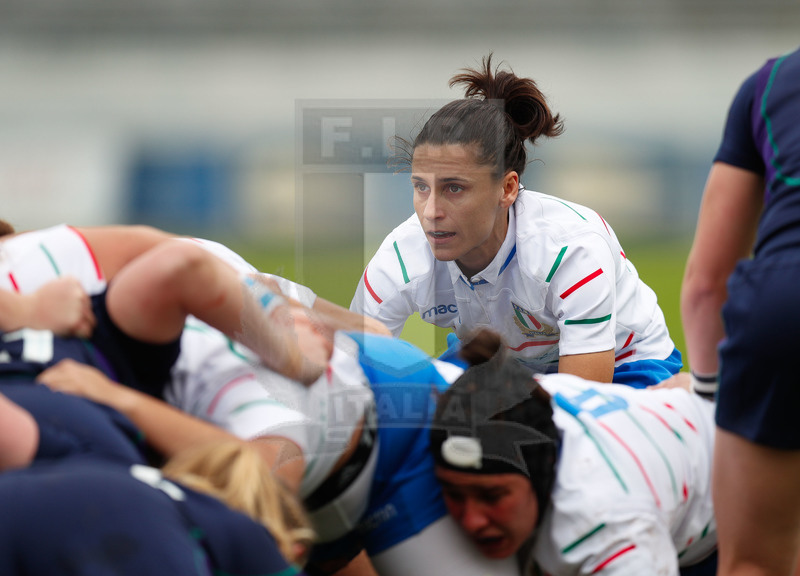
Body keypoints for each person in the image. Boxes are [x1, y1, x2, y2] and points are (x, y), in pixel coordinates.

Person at [351, 55, 680, 388]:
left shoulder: (572, 250)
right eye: (421, 187)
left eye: (454, 187)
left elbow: (579, 403)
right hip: (504, 363)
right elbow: (350, 378)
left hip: (626, 365)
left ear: (507, 189)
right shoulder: (399, 261)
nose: (431, 211)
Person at [428, 334, 718, 575]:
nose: (472, 520)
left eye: (492, 497)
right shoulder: (508, 402)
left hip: (731, 506)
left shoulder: (608, 528)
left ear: (543, 472)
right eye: (454, 494)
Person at [679, 47, 800, 576]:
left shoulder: (771, 81)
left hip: (782, 305)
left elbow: (707, 284)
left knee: (755, 560)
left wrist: (709, 402)